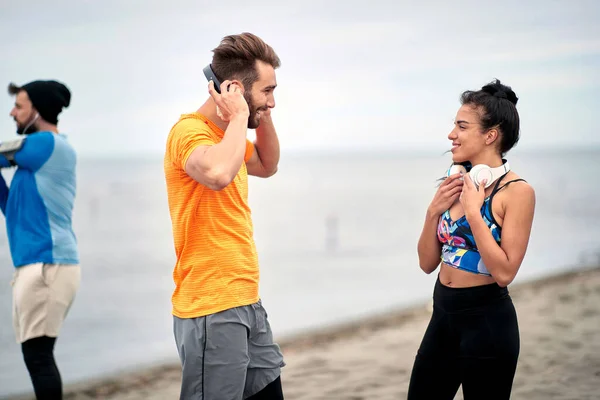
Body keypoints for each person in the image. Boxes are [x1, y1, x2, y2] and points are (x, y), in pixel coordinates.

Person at [163, 32, 285, 400]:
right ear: (233, 88)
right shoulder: (189, 133)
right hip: (210, 307)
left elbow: (267, 164)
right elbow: (216, 174)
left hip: (245, 298)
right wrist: (243, 115)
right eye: (267, 91)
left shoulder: (228, 134)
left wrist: (255, 112)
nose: (274, 102)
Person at [407, 79, 536, 399]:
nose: (452, 134)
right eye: (454, 125)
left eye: (462, 126)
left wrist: (475, 214)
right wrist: (432, 212)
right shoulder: (454, 183)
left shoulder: (517, 192)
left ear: (490, 135)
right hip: (442, 319)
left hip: (488, 326)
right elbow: (426, 263)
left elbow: (505, 272)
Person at [2, 80, 80, 400]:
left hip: (47, 264)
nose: (12, 112)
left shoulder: (50, 145)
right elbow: (12, 211)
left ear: (38, 110)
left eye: (19, 106)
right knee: (36, 356)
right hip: (36, 264)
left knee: (39, 357)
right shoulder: (31, 163)